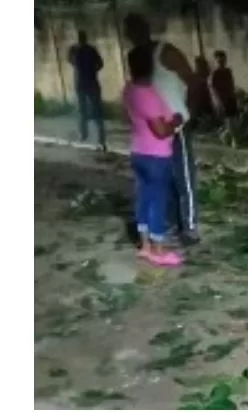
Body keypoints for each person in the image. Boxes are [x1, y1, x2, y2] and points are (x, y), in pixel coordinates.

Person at [123, 13, 202, 246]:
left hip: (176, 127)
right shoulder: (138, 60)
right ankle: (166, 223)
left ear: (146, 29)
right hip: (156, 133)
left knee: (184, 177)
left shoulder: (165, 53)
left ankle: (189, 227)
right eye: (130, 31)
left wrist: (190, 113)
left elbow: (194, 81)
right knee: (163, 180)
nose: (133, 35)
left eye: (136, 29)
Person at [122, 46, 185, 266]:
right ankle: (158, 250)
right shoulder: (147, 94)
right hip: (156, 156)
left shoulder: (129, 89)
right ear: (150, 66)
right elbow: (160, 131)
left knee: (144, 198)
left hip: (138, 151)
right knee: (157, 201)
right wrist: (176, 122)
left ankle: (145, 246)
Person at [68, 30, 107, 152]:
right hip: (91, 82)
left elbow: (71, 61)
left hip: (82, 83)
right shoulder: (90, 49)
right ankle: (100, 139)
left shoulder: (75, 50)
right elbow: (100, 64)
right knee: (96, 112)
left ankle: (84, 135)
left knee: (83, 110)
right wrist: (93, 70)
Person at [209, 50, 239, 148]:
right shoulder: (214, 74)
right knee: (230, 121)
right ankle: (235, 141)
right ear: (216, 61)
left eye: (223, 60)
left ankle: (224, 134)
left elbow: (232, 85)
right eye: (219, 61)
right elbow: (213, 90)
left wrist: (235, 96)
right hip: (222, 101)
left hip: (231, 99)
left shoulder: (228, 71)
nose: (222, 63)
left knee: (234, 121)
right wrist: (218, 102)